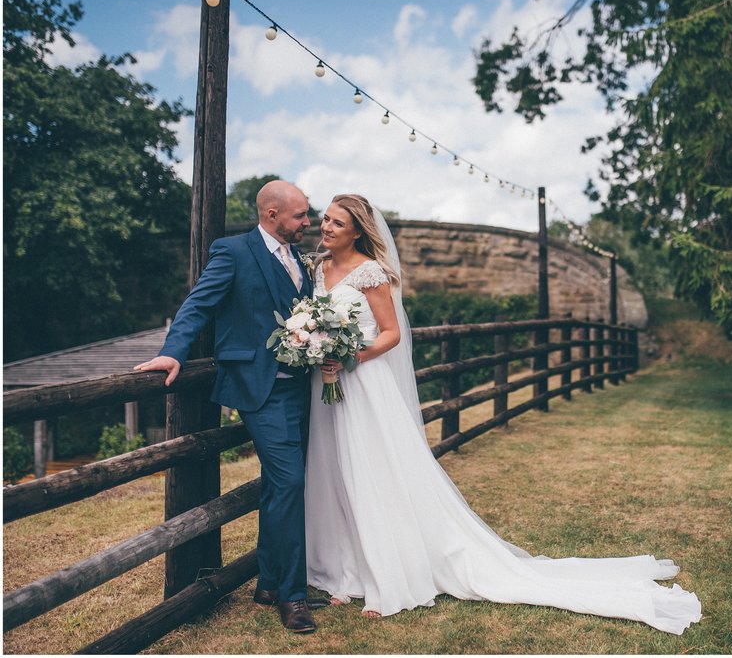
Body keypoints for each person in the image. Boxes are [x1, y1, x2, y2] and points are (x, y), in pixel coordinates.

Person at [303, 194, 702, 634]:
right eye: (325, 219)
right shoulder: (318, 268)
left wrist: (351, 356)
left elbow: (392, 334)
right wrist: (317, 345)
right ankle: (343, 572)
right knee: (335, 472)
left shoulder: (371, 272)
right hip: (328, 384)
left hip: (364, 384)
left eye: (337, 223)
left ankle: (386, 573)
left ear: (358, 230)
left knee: (372, 472)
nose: (326, 227)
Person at [134, 180, 328, 633]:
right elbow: (198, 305)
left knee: (280, 486)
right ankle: (293, 596)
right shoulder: (233, 251)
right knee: (291, 481)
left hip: (299, 387)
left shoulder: (299, 259)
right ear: (271, 214)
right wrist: (174, 351)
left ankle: (267, 581)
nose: (307, 222)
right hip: (259, 389)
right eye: (300, 215)